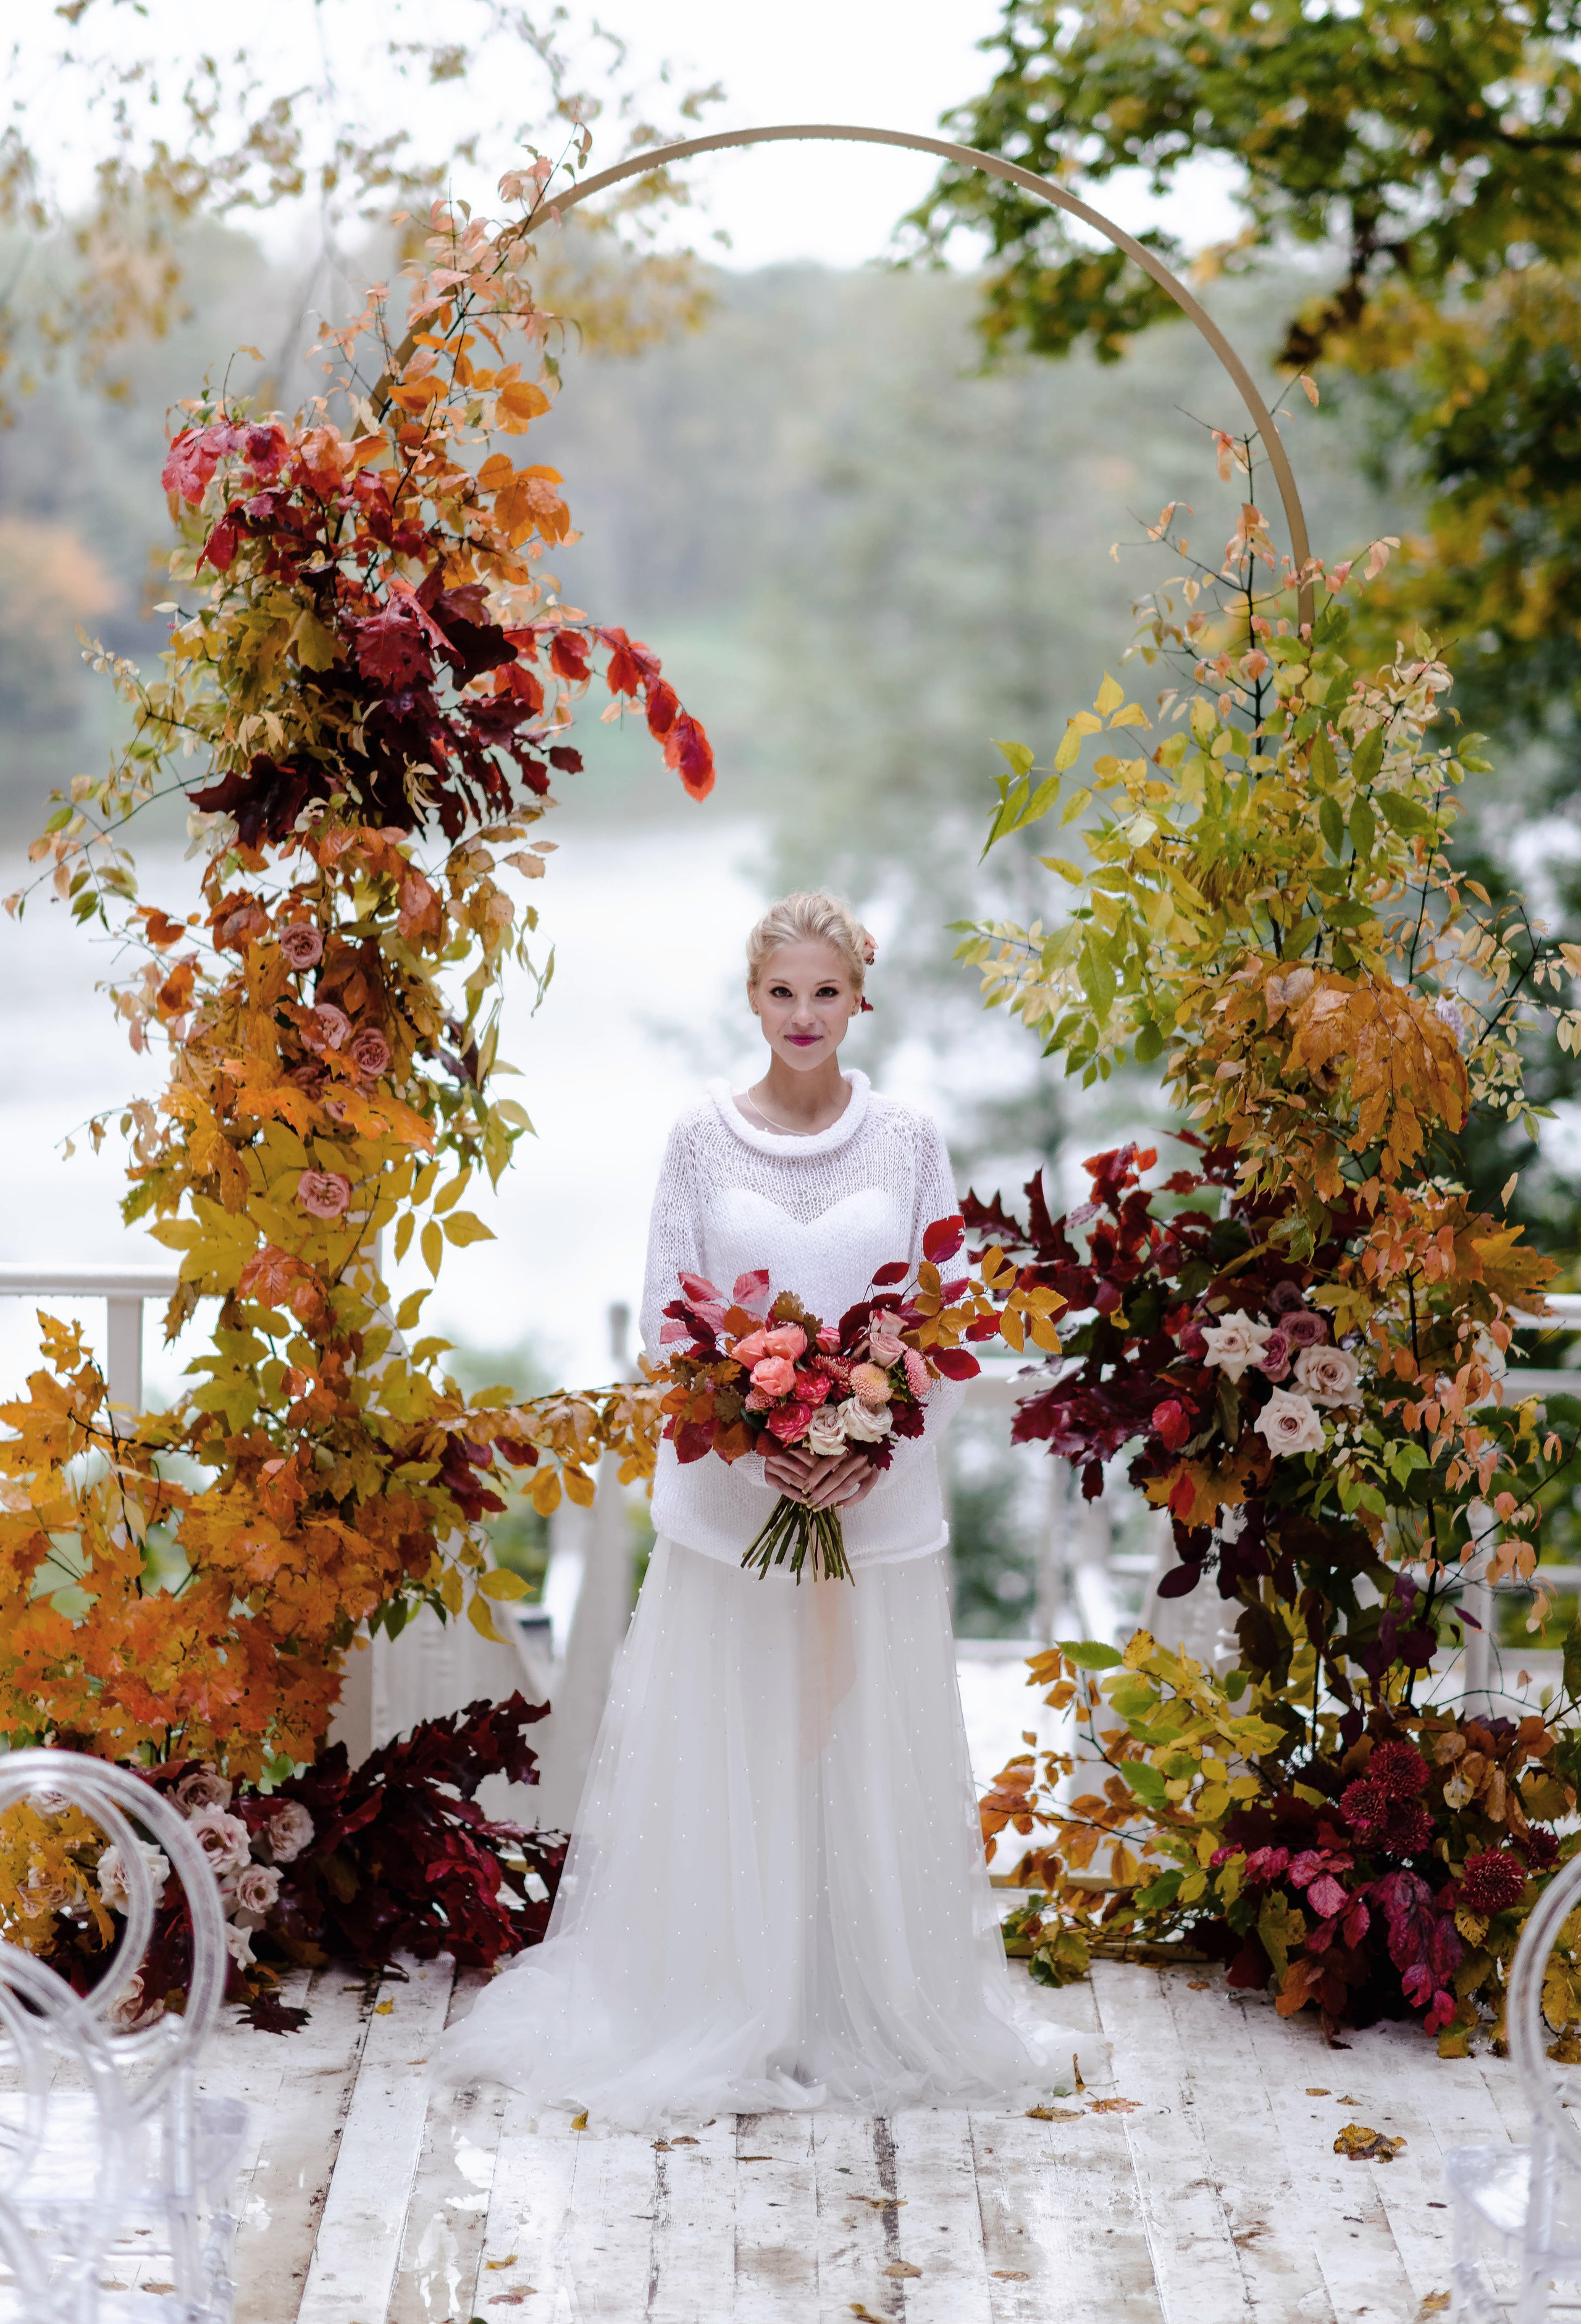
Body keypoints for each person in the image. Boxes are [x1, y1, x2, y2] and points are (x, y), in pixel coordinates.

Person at [437, 890, 1105, 2126]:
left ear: (860, 999)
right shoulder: (699, 1136)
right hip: (734, 1502)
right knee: (736, 1738)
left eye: (826, 992)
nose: (803, 1015)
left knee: (850, 1739)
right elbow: (671, 1323)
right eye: (780, 992)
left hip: (872, 1501)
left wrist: (865, 1449)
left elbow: (946, 1323)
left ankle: (855, 2000)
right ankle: (720, 1995)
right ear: (751, 1000)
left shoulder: (905, 1138)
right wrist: (766, 1456)